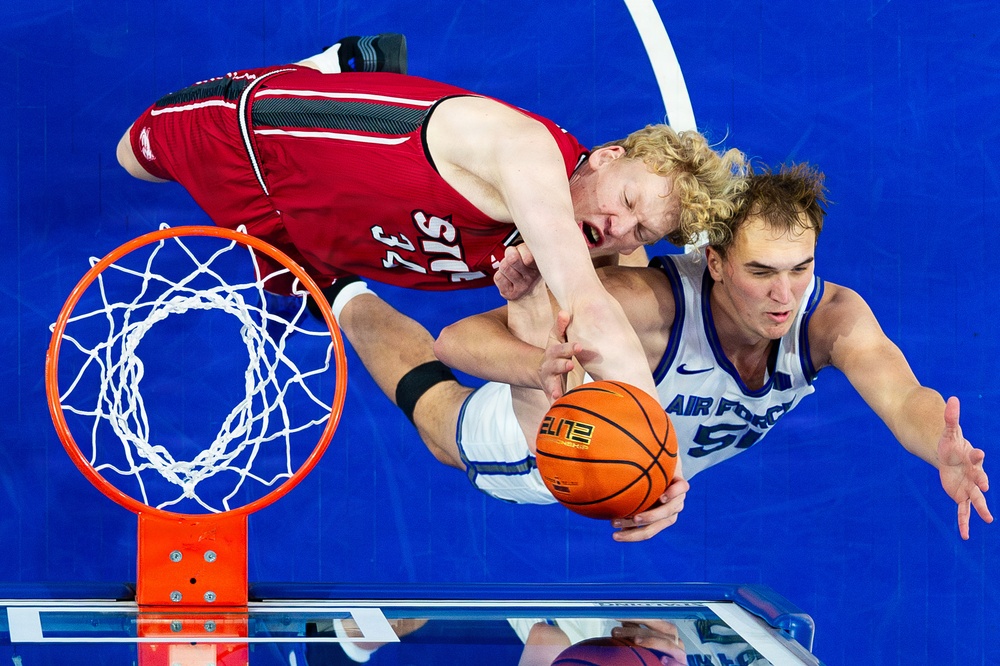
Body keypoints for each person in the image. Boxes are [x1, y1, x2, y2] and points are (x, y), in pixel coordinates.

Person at [333, 163, 991, 543]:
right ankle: (340, 292)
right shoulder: (653, 305)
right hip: (563, 443)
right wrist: (536, 370)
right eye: (762, 272)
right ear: (715, 260)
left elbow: (903, 395)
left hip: (641, 445)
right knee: (438, 419)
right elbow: (459, 341)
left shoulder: (831, 319)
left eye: (801, 268)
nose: (785, 295)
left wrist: (940, 442)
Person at [115, 34, 747, 410]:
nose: (619, 228)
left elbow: (581, 339)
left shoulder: (598, 243)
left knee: (290, 308)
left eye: (641, 230)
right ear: (608, 154)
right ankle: (329, 68)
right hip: (250, 142)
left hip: (324, 233)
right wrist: (654, 447)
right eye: (630, 201)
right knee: (132, 159)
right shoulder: (525, 154)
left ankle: (320, 256)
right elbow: (590, 309)